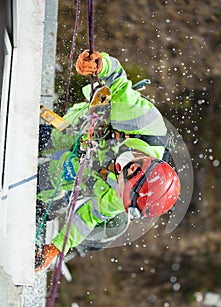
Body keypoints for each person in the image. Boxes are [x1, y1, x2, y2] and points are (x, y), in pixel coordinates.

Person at [35, 50, 180, 271]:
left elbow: (89, 216)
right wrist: (100, 65)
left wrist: (56, 248)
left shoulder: (125, 197)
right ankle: (44, 137)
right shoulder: (143, 121)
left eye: (124, 178)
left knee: (55, 178)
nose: (125, 167)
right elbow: (118, 82)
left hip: (88, 163)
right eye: (135, 166)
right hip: (88, 126)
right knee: (53, 138)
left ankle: (44, 198)